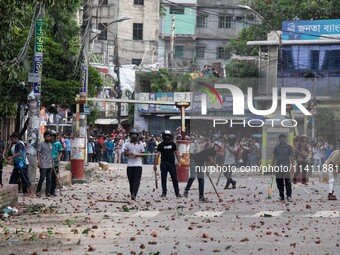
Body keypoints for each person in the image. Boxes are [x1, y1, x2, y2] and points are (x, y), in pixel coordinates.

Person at [154, 130, 183, 198]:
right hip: (164, 163)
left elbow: (176, 153)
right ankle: (164, 193)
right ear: (163, 137)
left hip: (172, 164)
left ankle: (177, 193)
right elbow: (157, 155)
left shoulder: (173, 144)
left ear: (170, 137)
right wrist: (155, 165)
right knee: (163, 179)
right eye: (165, 136)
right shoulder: (160, 145)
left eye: (168, 136)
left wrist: (179, 161)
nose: (167, 137)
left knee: (174, 178)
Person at [272, 133, 294, 201]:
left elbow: (291, 157)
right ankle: (281, 196)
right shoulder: (276, 147)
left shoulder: (289, 147)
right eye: (281, 138)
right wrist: (272, 166)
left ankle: (289, 196)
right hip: (278, 166)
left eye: (283, 138)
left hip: (286, 166)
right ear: (279, 139)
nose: (282, 140)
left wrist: (292, 166)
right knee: (279, 182)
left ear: (285, 139)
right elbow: (274, 157)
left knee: (288, 182)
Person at [124, 130, 145, 200]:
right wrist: (130, 154)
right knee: (131, 181)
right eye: (132, 135)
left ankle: (134, 194)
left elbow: (143, 154)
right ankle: (132, 193)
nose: (134, 136)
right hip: (130, 165)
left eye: (135, 135)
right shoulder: (127, 144)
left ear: (137, 136)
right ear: (130, 136)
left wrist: (138, 155)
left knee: (137, 180)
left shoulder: (141, 144)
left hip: (138, 165)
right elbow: (125, 153)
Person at [36, 131, 53, 197]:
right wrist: (39, 162)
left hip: (49, 164)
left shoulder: (50, 144)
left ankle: (47, 192)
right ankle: (38, 191)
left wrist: (52, 162)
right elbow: (38, 153)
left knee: (49, 179)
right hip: (43, 164)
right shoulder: (41, 144)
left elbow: (50, 154)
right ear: (44, 137)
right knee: (42, 178)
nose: (48, 138)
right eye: (46, 137)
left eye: (49, 137)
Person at [50, 130, 63, 196]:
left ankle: (53, 191)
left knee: (54, 178)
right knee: (48, 177)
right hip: (47, 163)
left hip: (55, 163)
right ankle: (48, 191)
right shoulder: (47, 143)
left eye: (52, 136)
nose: (51, 137)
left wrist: (58, 158)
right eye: (50, 136)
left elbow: (60, 152)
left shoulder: (58, 143)